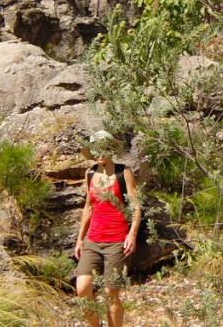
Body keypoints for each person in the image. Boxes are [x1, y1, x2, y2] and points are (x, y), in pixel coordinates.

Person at [73, 130, 140, 327]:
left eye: (104, 148)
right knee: (82, 289)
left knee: (112, 293)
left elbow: (136, 205)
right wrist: (80, 238)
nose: (100, 152)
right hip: (92, 240)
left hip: (117, 240)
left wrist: (132, 234)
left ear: (111, 149)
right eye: (96, 149)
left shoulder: (124, 172)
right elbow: (88, 206)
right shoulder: (90, 173)